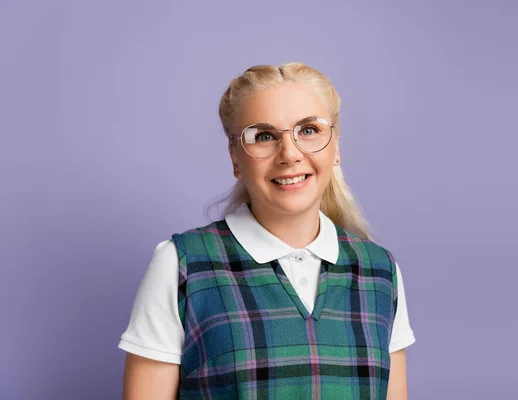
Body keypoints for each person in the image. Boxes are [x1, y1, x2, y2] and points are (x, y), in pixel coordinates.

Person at [118, 63, 416, 399]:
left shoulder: (379, 270)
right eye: (264, 136)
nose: (289, 154)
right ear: (235, 156)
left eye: (308, 130)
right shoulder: (183, 265)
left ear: (335, 147)